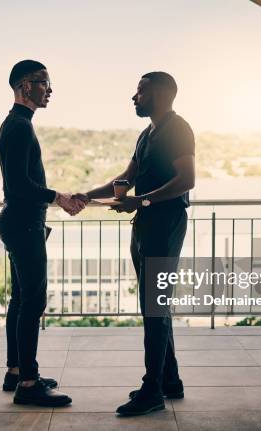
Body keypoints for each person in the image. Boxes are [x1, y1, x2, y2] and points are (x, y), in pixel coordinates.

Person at [75, 72, 195, 416]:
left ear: (158, 93)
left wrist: (141, 201)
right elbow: (124, 179)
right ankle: (169, 382)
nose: (134, 97)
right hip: (145, 225)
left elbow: (187, 180)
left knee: (154, 308)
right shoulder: (147, 134)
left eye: (140, 91)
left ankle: (152, 390)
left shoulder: (178, 129)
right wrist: (88, 195)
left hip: (165, 225)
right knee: (155, 306)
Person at [0, 59, 83, 407]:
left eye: (49, 84)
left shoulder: (17, 124)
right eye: (42, 83)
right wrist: (57, 197)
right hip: (23, 223)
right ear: (23, 86)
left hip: (19, 222)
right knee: (33, 301)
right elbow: (18, 184)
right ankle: (28, 383)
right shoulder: (18, 127)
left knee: (21, 299)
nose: (49, 89)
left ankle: (16, 371)